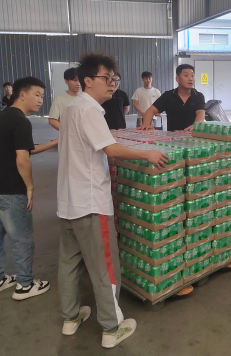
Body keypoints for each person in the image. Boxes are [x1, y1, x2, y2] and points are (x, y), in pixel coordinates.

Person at [57, 53, 168, 348]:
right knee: (105, 266)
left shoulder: (70, 108)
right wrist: (147, 153)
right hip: (91, 202)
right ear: (88, 80)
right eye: (107, 78)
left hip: (68, 201)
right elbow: (111, 149)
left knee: (69, 264)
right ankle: (111, 327)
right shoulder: (90, 110)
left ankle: (70, 318)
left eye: (114, 79)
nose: (112, 84)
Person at [0, 77, 58, 301]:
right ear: (22, 95)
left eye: (42, 96)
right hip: (9, 189)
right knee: (22, 238)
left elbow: (25, 149)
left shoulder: (1, 117)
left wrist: (54, 143)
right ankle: (25, 285)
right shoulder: (21, 121)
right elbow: (22, 159)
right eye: (37, 95)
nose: (40, 100)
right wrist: (30, 186)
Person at [139, 64, 205, 132]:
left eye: (192, 76)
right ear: (177, 79)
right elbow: (151, 110)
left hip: (192, 136)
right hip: (172, 137)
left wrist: (195, 125)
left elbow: (200, 113)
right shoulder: (168, 96)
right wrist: (146, 124)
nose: (190, 79)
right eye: (186, 75)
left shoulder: (198, 96)